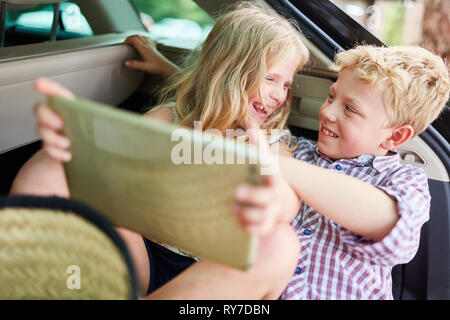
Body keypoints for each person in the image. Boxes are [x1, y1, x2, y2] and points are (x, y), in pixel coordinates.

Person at [9, 2, 310, 299]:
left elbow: (285, 201)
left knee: (280, 243)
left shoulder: (273, 144)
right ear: (229, 73)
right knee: (53, 163)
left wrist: (258, 152)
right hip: (144, 255)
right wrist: (76, 140)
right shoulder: (169, 119)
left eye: (286, 85)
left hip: (208, 275)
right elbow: (112, 172)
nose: (278, 96)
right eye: (271, 79)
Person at [268, 45, 448, 299]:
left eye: (350, 109)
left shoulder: (403, 182)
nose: (327, 112)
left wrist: (284, 168)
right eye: (331, 97)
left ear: (395, 135)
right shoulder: (297, 150)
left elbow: (398, 233)